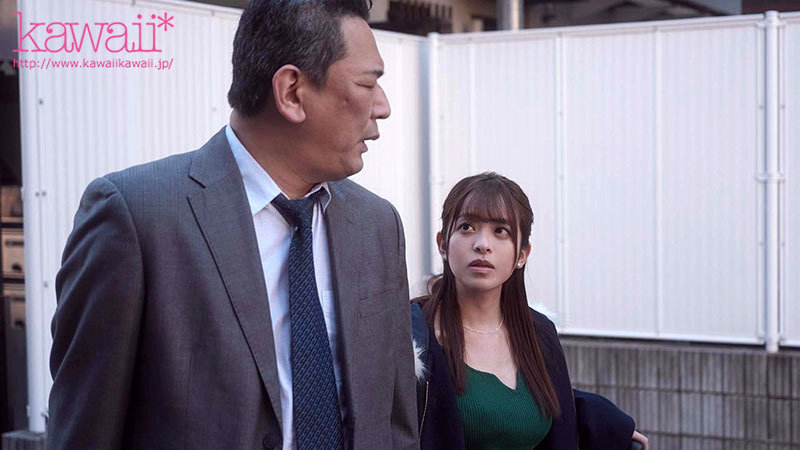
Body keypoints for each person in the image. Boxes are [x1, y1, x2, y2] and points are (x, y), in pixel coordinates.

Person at [47, 1, 418, 448]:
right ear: (292, 92)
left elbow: (397, 424)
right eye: (367, 84)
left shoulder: (377, 225)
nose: (383, 107)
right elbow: (85, 431)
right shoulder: (137, 217)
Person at [411, 172, 649, 449]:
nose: (482, 244)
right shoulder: (413, 339)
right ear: (442, 244)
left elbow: (549, 409)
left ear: (522, 254)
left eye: (501, 231)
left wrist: (605, 423)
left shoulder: (538, 333)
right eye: (467, 227)